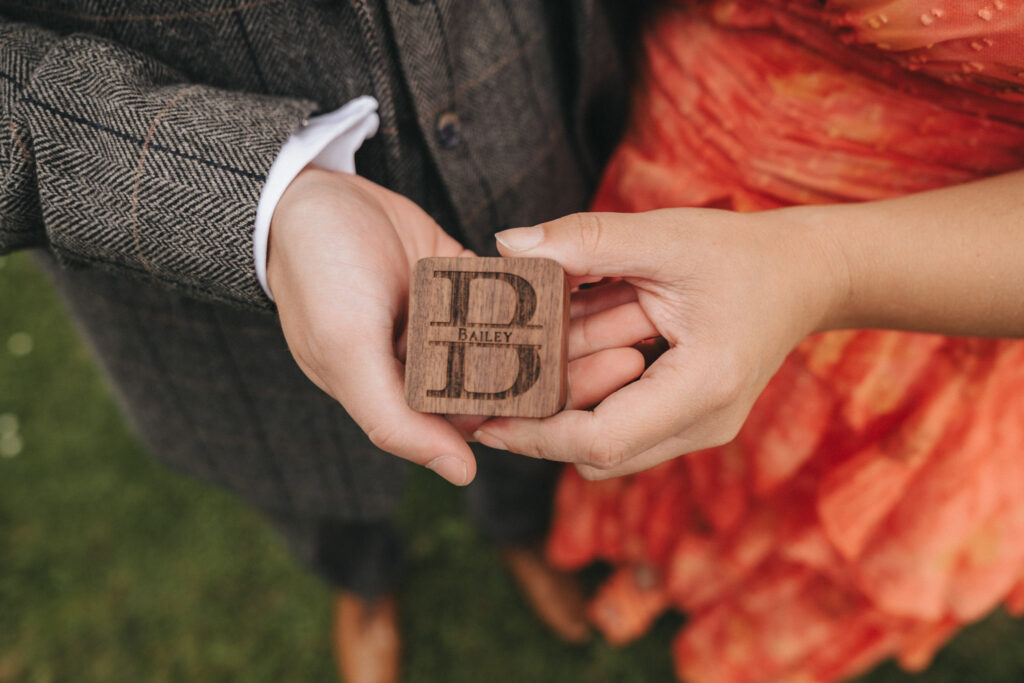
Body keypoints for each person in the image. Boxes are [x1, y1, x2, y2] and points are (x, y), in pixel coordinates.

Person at [0, 2, 642, 681]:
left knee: (529, 416)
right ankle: (361, 580)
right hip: (195, 246)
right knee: (294, 462)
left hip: (524, 115)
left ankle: (517, 528)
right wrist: (266, 199)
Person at [469, 1, 1024, 681]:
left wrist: (824, 273)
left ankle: (715, 585)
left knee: (790, 475)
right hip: (670, 156)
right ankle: (657, 559)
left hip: (926, 261)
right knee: (654, 420)